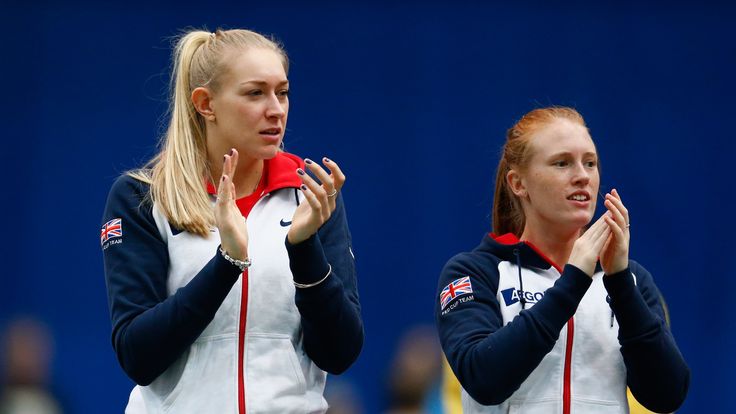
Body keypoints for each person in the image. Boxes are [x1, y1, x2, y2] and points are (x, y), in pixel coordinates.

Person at [101, 28, 363, 413]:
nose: (276, 109)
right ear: (206, 104)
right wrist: (227, 263)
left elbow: (339, 354)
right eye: (255, 93)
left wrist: (303, 248)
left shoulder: (310, 196)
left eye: (283, 92)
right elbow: (138, 356)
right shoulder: (142, 197)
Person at [434, 107, 689, 413]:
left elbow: (667, 396)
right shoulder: (475, 272)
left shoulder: (629, 279)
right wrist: (573, 281)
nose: (582, 176)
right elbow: (485, 379)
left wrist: (619, 283)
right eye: (562, 163)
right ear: (518, 183)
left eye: (590, 163)